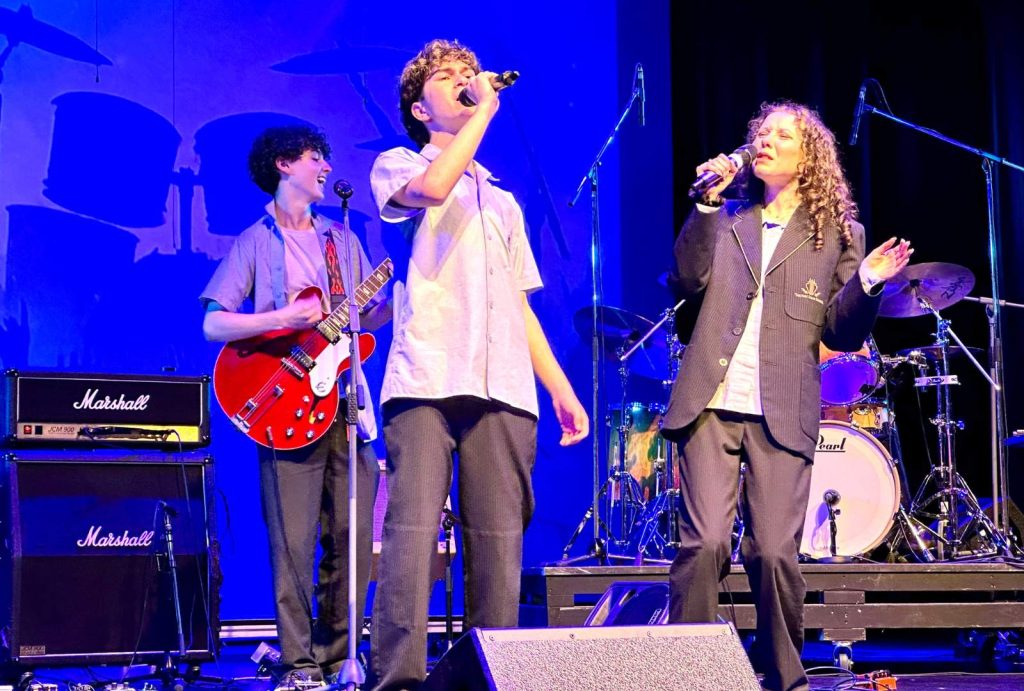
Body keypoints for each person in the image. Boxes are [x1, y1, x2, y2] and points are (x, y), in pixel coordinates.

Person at [660, 101, 912, 691]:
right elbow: (687, 280)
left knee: (773, 553)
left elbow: (840, 331)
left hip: (781, 409)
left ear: (810, 157)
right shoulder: (726, 218)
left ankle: (783, 679)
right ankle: (687, 677)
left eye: (781, 134)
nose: (765, 141)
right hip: (711, 402)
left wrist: (869, 281)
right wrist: (704, 203)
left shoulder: (839, 236)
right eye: (761, 133)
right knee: (703, 545)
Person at [367, 39, 589, 690]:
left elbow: (519, 307)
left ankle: (489, 678)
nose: (465, 79)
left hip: (506, 391)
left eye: (470, 72)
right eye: (448, 76)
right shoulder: (398, 163)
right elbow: (435, 188)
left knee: (498, 546)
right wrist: (486, 112)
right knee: (411, 540)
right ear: (420, 107)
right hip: (428, 379)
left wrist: (561, 388)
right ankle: (398, 682)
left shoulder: (503, 201)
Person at [200, 125, 389, 690]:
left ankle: (338, 658)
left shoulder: (343, 240)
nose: (326, 166)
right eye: (315, 157)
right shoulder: (255, 241)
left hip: (344, 405)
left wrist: (382, 309)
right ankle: (298, 664)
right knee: (291, 543)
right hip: (284, 404)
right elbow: (213, 322)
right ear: (284, 165)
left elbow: (364, 321)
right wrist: (282, 319)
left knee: (354, 541)